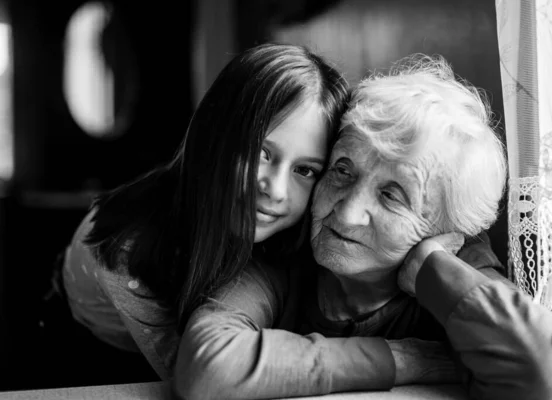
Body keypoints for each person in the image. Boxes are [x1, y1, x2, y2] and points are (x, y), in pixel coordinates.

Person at [172, 55, 552, 400]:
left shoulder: (458, 262)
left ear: (445, 228)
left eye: (392, 195)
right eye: (342, 170)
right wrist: (411, 359)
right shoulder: (284, 254)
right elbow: (210, 366)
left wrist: (429, 271)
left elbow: (541, 363)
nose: (347, 214)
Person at [50, 43, 350, 384]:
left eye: (305, 170)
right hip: (89, 342)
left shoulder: (301, 232)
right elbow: (214, 379)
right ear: (215, 138)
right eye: (261, 152)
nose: (277, 190)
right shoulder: (131, 249)